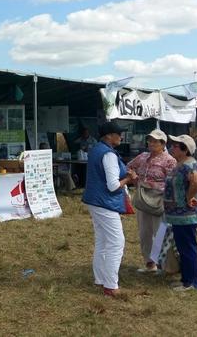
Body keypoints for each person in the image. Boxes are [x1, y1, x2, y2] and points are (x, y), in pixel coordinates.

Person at [82, 121, 137, 296]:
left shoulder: (96, 149)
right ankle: (111, 286)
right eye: (118, 133)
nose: (121, 136)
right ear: (109, 136)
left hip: (94, 200)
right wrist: (128, 178)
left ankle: (100, 279)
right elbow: (113, 186)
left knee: (102, 242)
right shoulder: (109, 155)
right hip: (105, 202)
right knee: (116, 242)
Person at [126, 129, 176, 273]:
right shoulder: (142, 156)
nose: (151, 143)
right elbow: (128, 166)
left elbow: (173, 182)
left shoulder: (169, 160)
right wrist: (134, 177)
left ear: (163, 144)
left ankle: (162, 264)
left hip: (159, 200)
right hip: (142, 199)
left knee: (160, 232)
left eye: (155, 141)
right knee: (144, 233)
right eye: (150, 140)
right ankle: (149, 264)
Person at [164, 134, 197, 291]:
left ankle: (193, 282)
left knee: (188, 248)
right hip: (179, 215)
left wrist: (189, 197)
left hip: (186, 215)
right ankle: (186, 279)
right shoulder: (181, 164)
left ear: (185, 150)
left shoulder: (189, 165)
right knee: (183, 248)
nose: (171, 148)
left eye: (175, 146)